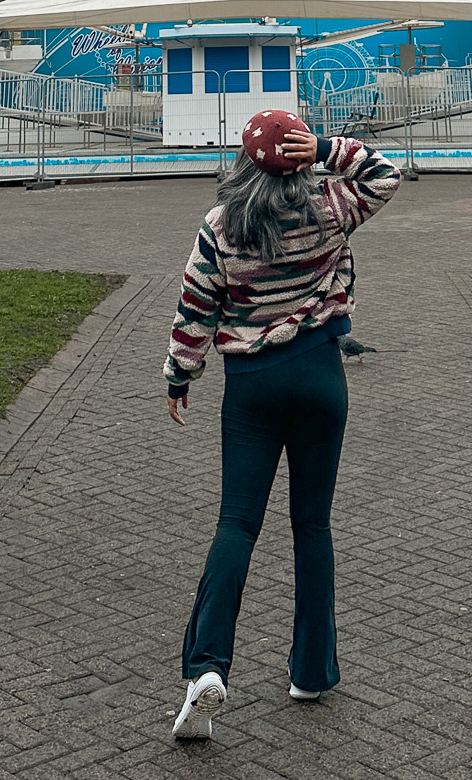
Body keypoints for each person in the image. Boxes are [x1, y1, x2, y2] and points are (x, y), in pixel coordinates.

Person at [164, 109, 401, 742]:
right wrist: (327, 148)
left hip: (252, 386)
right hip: (321, 374)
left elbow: (196, 301)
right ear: (298, 155)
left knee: (237, 523)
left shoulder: (221, 225)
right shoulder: (329, 205)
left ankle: (206, 668)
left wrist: (180, 374)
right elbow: (384, 173)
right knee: (312, 525)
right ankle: (312, 670)